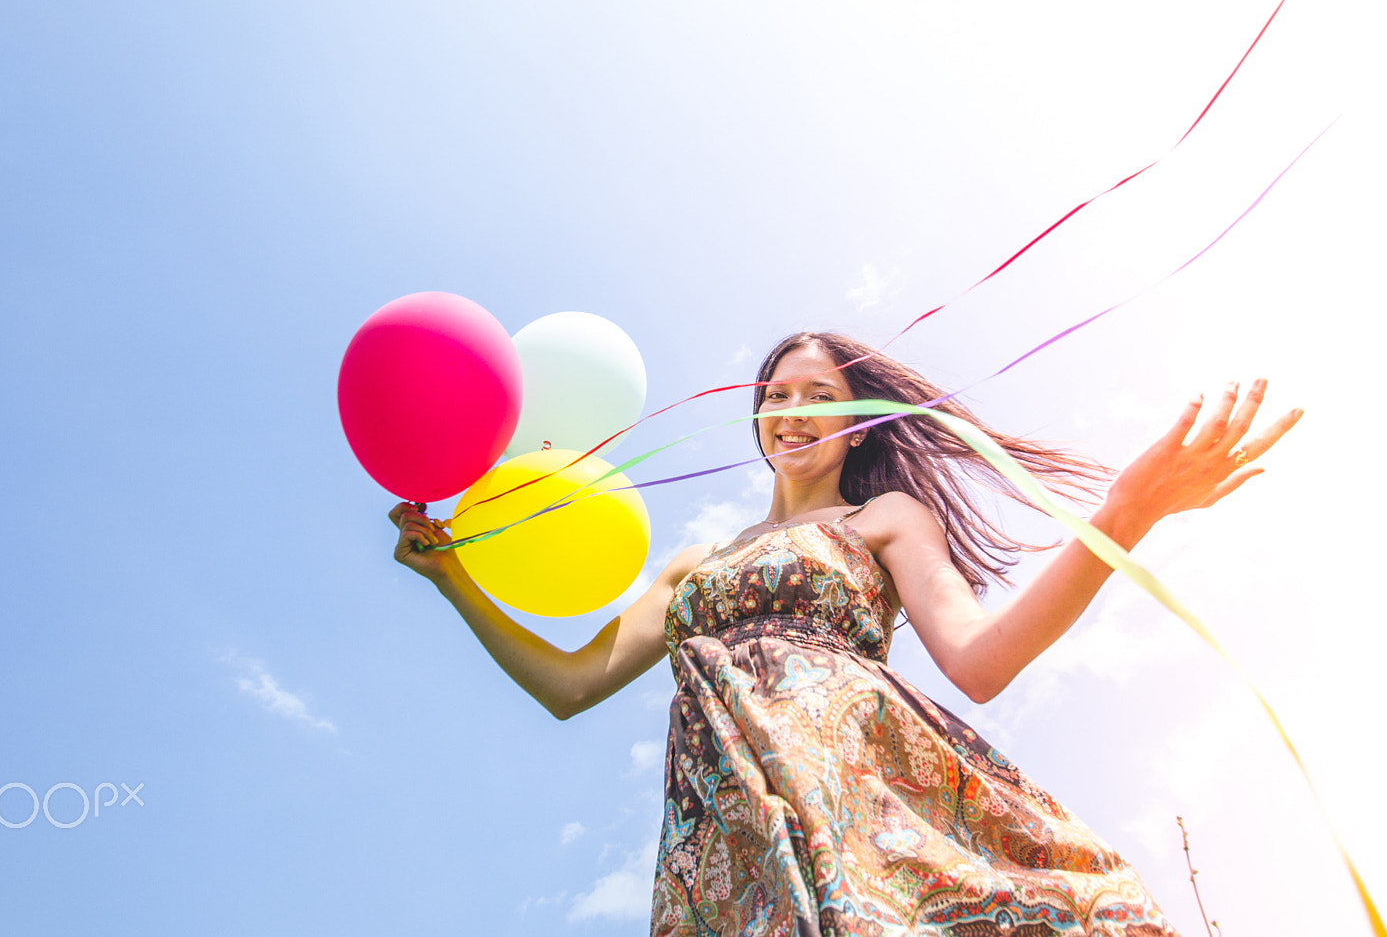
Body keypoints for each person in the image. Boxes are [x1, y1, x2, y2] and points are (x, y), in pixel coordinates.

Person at [390, 331, 1301, 937]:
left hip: (867, 792)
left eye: (819, 394)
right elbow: (569, 686)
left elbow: (982, 661)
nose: (792, 408)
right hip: (730, 823)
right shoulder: (692, 565)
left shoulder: (884, 519)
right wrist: (453, 577)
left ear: (857, 421)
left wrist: (1125, 513)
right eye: (776, 392)